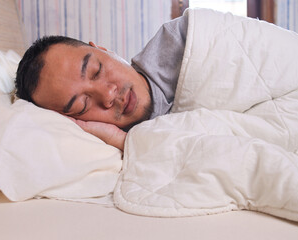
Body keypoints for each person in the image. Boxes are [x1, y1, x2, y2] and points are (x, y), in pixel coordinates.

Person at [15, 14, 188, 151]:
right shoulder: (118, 150)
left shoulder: (184, 38)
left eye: (96, 71)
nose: (108, 94)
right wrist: (122, 142)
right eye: (83, 105)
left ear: (103, 49)